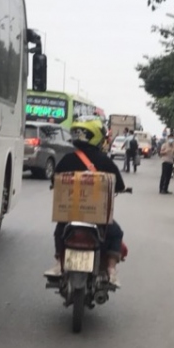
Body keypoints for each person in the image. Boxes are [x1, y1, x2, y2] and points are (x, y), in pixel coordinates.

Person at [45, 119, 127, 284]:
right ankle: (111, 270)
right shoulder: (105, 161)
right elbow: (119, 185)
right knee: (116, 233)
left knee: (60, 230)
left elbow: (55, 180)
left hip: (69, 214)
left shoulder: (67, 159)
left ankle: (59, 264)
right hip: (98, 218)